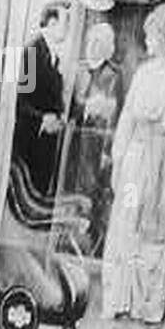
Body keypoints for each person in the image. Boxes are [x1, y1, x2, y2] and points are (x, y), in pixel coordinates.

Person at [99, 5, 165, 324]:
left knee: (155, 230)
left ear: (164, 37)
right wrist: (117, 156)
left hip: (162, 159)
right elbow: (127, 116)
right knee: (126, 219)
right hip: (137, 156)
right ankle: (117, 299)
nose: (147, 40)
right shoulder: (143, 72)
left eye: (152, 34)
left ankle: (147, 305)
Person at [65, 21, 122, 253]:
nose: (92, 46)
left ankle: (84, 242)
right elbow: (69, 106)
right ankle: (67, 236)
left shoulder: (113, 74)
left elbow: (114, 115)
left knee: (89, 193)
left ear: (107, 47)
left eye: (98, 42)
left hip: (95, 146)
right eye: (90, 40)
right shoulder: (79, 70)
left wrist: (108, 151)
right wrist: (84, 107)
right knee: (68, 189)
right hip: (73, 142)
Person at [13, 1, 69, 196]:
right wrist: (42, 119)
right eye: (65, 22)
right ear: (52, 23)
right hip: (29, 143)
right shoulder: (31, 51)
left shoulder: (53, 56)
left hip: (44, 142)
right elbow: (18, 99)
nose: (67, 28)